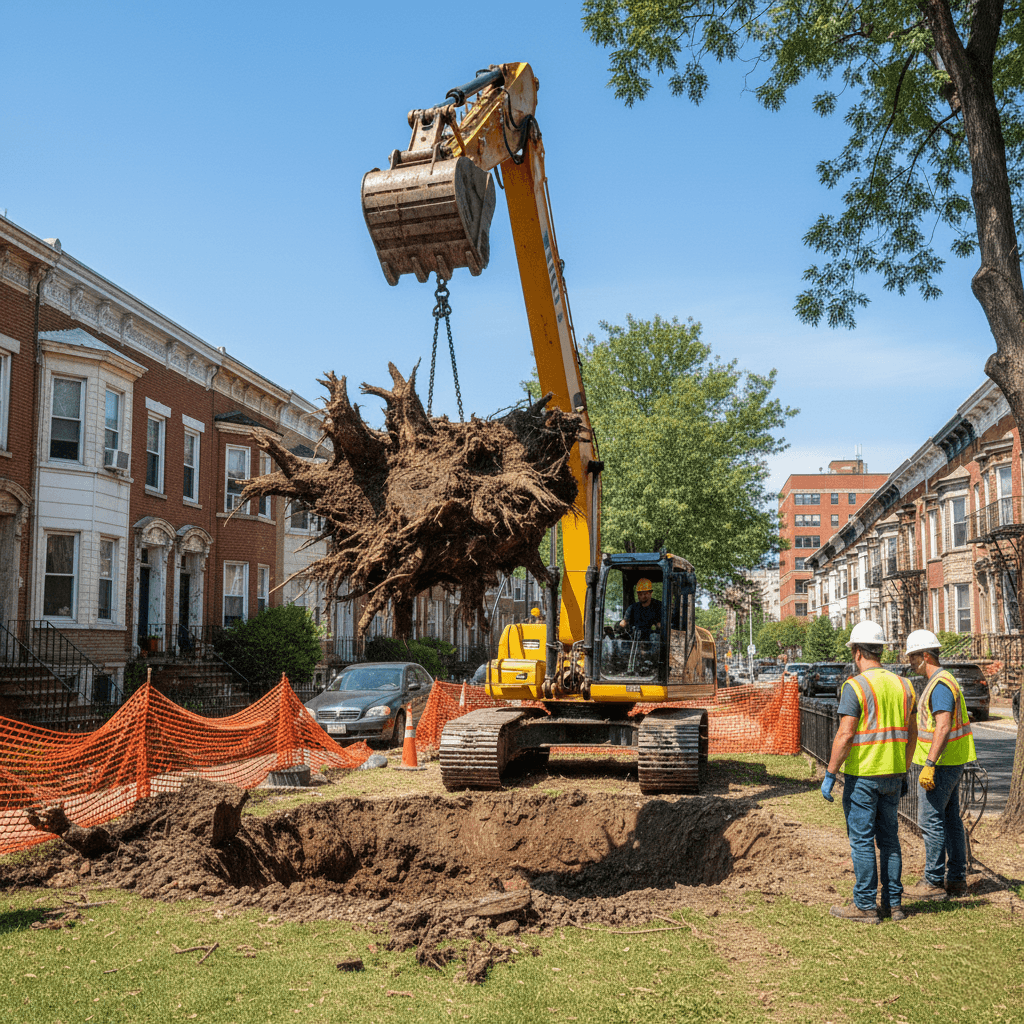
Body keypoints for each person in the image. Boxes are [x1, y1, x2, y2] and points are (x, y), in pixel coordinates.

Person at [820, 621, 917, 924]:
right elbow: (913, 733)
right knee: (889, 840)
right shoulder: (905, 685)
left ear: (858, 651)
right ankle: (893, 904)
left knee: (862, 840)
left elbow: (845, 734)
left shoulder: (856, 686)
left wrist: (830, 772)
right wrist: (903, 768)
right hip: (893, 774)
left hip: (864, 776)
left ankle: (864, 905)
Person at [902, 629, 977, 901]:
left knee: (930, 820)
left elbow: (943, 726)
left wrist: (930, 763)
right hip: (953, 761)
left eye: (912, 657)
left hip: (941, 764)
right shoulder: (944, 681)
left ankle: (933, 881)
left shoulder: (940, 685)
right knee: (950, 820)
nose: (910, 662)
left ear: (924, 656)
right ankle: (956, 879)